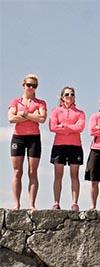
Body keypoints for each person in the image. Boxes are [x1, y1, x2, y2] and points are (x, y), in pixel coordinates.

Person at [8, 74, 47, 210]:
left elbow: (42, 119)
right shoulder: (15, 101)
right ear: (23, 85)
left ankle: (31, 204)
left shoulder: (41, 103)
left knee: (33, 171)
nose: (31, 87)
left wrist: (24, 114)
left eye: (34, 85)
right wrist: (32, 116)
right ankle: (16, 204)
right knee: (17, 171)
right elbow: (11, 119)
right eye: (29, 85)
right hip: (18, 137)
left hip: (34, 138)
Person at [49, 86, 86, 211]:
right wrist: (71, 127)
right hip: (59, 146)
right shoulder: (55, 111)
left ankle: (74, 203)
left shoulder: (80, 113)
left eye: (72, 94)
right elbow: (53, 127)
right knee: (58, 175)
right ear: (62, 97)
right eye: (67, 94)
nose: (69, 96)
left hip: (75, 146)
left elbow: (80, 127)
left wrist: (64, 126)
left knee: (74, 175)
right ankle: (56, 202)